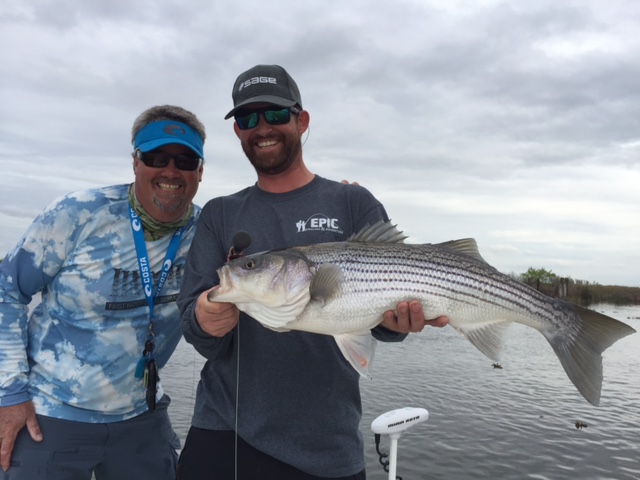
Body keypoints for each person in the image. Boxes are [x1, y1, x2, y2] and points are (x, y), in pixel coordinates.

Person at [176, 65, 448, 480]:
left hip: (325, 445)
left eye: (276, 115)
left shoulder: (353, 202)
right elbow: (193, 324)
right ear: (238, 133)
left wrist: (398, 323)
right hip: (223, 431)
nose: (262, 128)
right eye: (248, 119)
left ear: (301, 121)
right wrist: (203, 318)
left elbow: (382, 324)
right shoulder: (220, 213)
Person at [0, 105, 206, 480]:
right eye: (157, 157)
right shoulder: (76, 214)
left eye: (185, 160)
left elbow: (274, 261)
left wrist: (342, 211)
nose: (171, 171)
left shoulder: (207, 231)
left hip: (143, 419)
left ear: (200, 171)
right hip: (50, 415)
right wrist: (10, 395)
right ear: (135, 162)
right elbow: (6, 291)